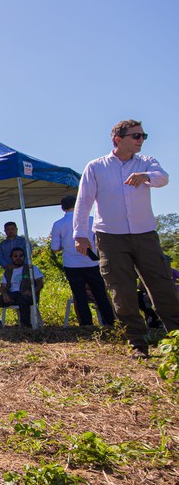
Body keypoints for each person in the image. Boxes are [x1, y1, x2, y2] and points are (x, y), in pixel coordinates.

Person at [73, 119, 179, 359]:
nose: (141, 140)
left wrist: (145, 176)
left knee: (162, 286)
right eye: (136, 136)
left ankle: (176, 338)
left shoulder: (147, 163)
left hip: (145, 235)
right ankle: (138, 343)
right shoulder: (96, 167)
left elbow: (163, 178)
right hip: (110, 238)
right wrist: (80, 235)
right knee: (122, 292)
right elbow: (83, 202)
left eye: (143, 136)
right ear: (118, 140)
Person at [50, 195, 115, 327]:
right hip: (92, 262)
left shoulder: (58, 225)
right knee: (100, 294)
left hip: (71, 264)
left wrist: (66, 244)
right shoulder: (91, 220)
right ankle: (110, 322)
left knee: (79, 296)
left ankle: (86, 325)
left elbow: (55, 248)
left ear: (63, 208)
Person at [0, 247, 44, 327]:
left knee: (23, 299)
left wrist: (32, 292)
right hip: (12, 295)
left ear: (24, 257)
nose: (18, 258)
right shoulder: (8, 271)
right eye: (15, 256)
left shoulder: (31, 268)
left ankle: (25, 326)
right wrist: (4, 294)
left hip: (28, 295)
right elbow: (3, 286)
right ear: (11, 258)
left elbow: (40, 283)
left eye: (21, 256)